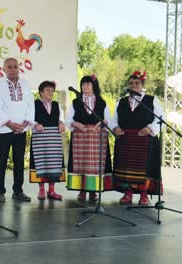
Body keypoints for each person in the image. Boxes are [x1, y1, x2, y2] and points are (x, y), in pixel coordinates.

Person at [111, 70, 164, 206]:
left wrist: (149, 129)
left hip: (145, 140)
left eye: (137, 83)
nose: (134, 85)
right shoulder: (121, 102)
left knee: (144, 169)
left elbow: (161, 119)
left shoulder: (151, 100)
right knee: (126, 168)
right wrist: (115, 128)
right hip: (126, 139)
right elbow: (113, 120)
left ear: (142, 84)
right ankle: (128, 193)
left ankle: (144, 194)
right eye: (131, 83)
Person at [0, 58, 35, 202]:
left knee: (19, 161)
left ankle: (18, 191)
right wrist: (9, 123)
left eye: (15, 66)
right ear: (4, 70)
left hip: (21, 130)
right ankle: (0, 191)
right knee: (2, 161)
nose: (12, 69)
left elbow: (30, 105)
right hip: (4, 129)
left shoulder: (25, 84)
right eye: (9, 67)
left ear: (19, 68)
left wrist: (25, 123)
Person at [65, 75, 112, 201]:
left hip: (97, 138)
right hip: (81, 136)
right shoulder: (76, 102)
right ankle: (82, 189)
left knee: (95, 166)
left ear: (94, 86)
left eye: (88, 84)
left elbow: (108, 120)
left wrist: (103, 123)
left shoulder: (102, 103)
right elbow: (68, 119)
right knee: (82, 164)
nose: (85, 86)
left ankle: (93, 190)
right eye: (83, 84)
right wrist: (76, 124)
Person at [29, 81, 66, 200]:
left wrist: (61, 123)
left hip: (54, 139)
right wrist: (35, 124)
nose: (51, 92)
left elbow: (61, 119)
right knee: (42, 164)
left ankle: (51, 190)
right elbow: (28, 119)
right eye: (48, 90)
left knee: (53, 164)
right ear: (41, 92)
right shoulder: (34, 104)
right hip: (40, 139)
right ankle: (41, 190)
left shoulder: (56, 105)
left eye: (52, 90)